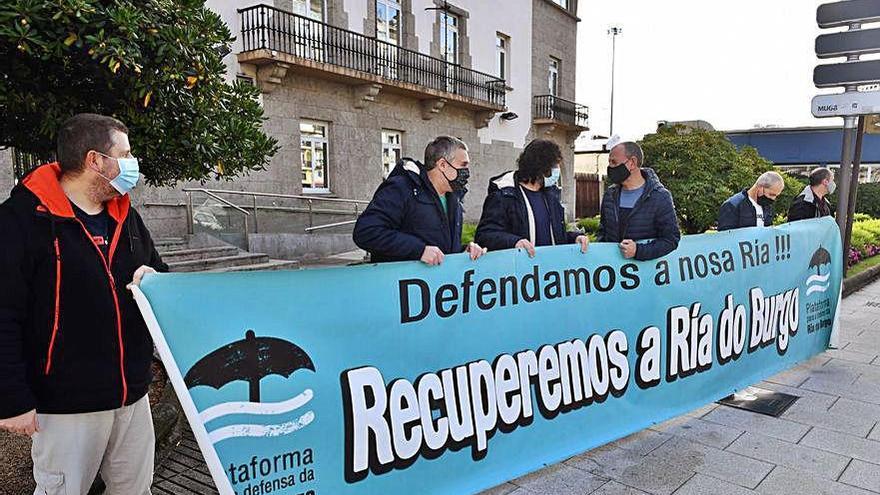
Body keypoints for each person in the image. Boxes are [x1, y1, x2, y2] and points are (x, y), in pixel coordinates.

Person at [0, 113, 167, 494]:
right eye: (125, 154)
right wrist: (12, 399)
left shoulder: (127, 216)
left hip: (132, 396)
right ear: (95, 160)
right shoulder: (21, 221)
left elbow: (159, 272)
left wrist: (155, 280)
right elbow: (4, 315)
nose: (132, 163)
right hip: (66, 404)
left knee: (136, 490)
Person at [353, 136, 486, 264]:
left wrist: (463, 252)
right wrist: (419, 250)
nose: (467, 171)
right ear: (443, 164)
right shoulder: (401, 188)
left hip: (436, 285)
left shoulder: (454, 198)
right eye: (463, 165)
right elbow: (366, 232)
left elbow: (442, 248)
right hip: (399, 283)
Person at [474, 139, 589, 256]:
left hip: (549, 270)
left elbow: (555, 235)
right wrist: (514, 242)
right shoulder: (504, 195)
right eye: (554, 166)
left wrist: (574, 238)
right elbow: (485, 236)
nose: (557, 172)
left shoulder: (551, 196)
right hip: (520, 270)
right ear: (542, 167)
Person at [597, 141, 680, 260]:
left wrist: (638, 251)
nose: (610, 167)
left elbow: (670, 240)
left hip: (646, 274)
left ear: (632, 163)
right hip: (613, 272)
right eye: (609, 162)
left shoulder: (660, 197)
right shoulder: (610, 195)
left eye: (614, 162)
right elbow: (602, 233)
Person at [718, 171, 785, 231]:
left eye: (776, 196)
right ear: (760, 187)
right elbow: (725, 237)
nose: (773, 199)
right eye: (771, 194)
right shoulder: (732, 205)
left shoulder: (766, 205)